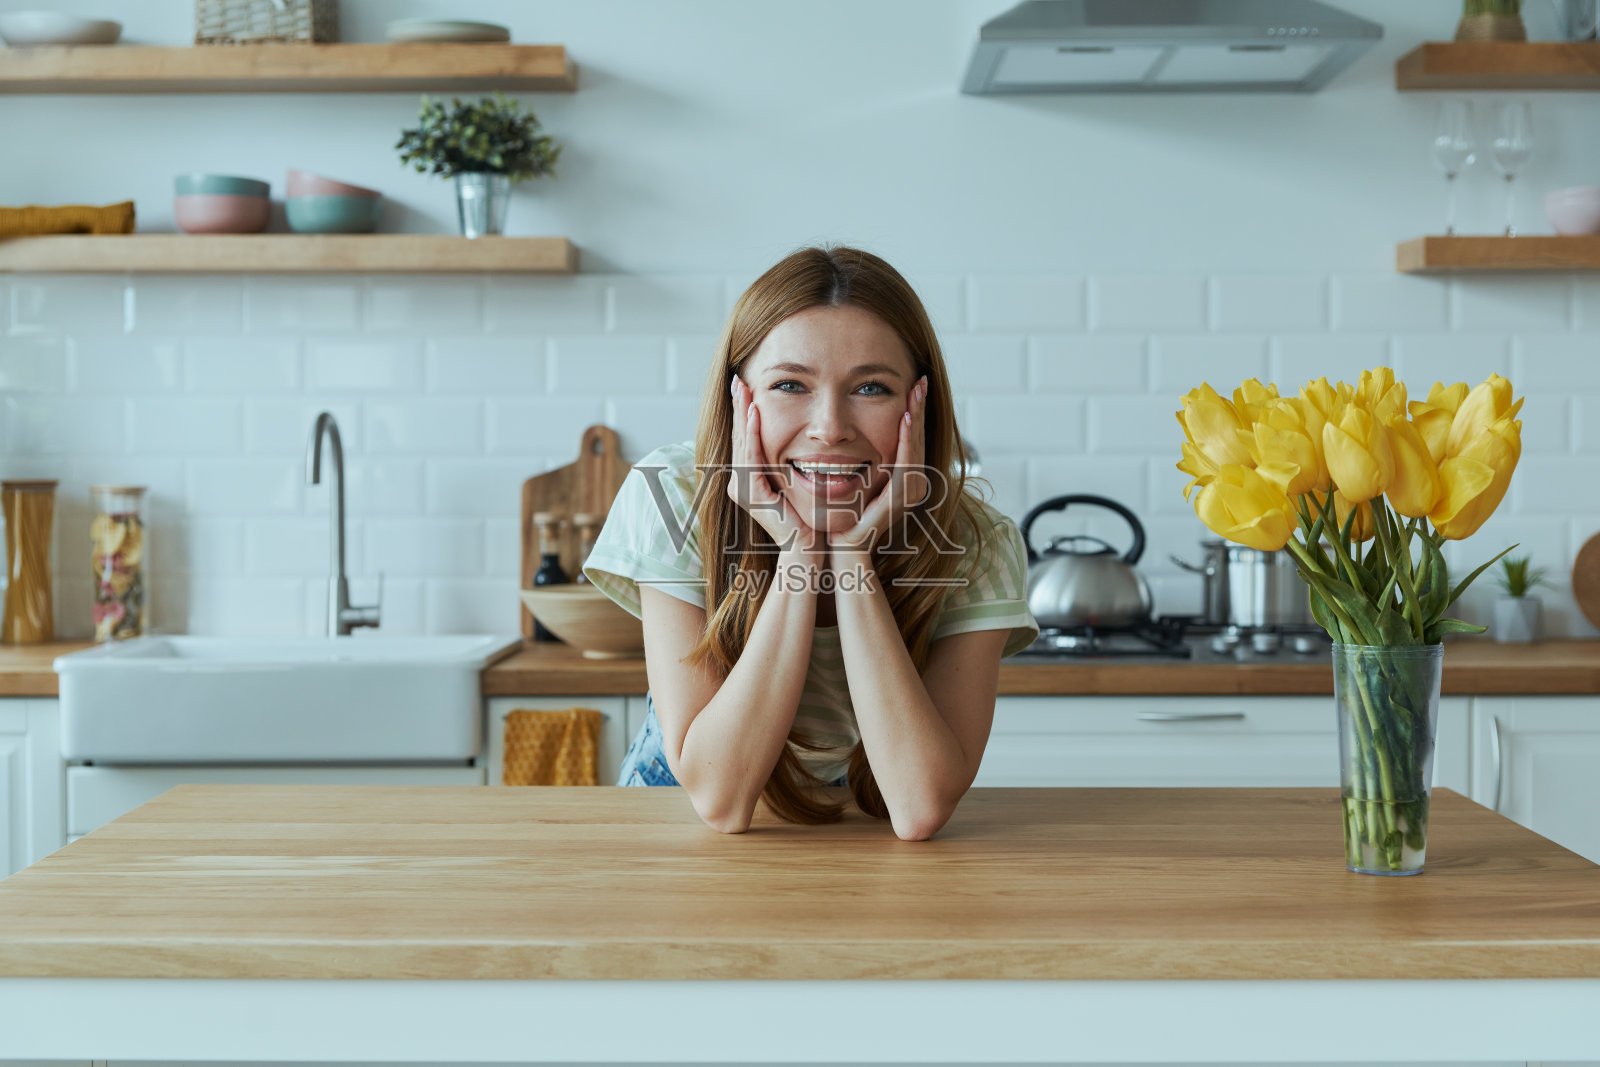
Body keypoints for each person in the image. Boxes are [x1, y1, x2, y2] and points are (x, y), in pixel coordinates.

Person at [583, 245, 1038, 841]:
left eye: (871, 387)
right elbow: (720, 802)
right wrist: (798, 550)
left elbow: (920, 806)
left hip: (870, 833)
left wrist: (850, 553)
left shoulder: (974, 542)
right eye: (790, 384)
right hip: (683, 829)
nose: (829, 426)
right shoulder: (674, 496)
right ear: (738, 398)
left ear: (917, 404)